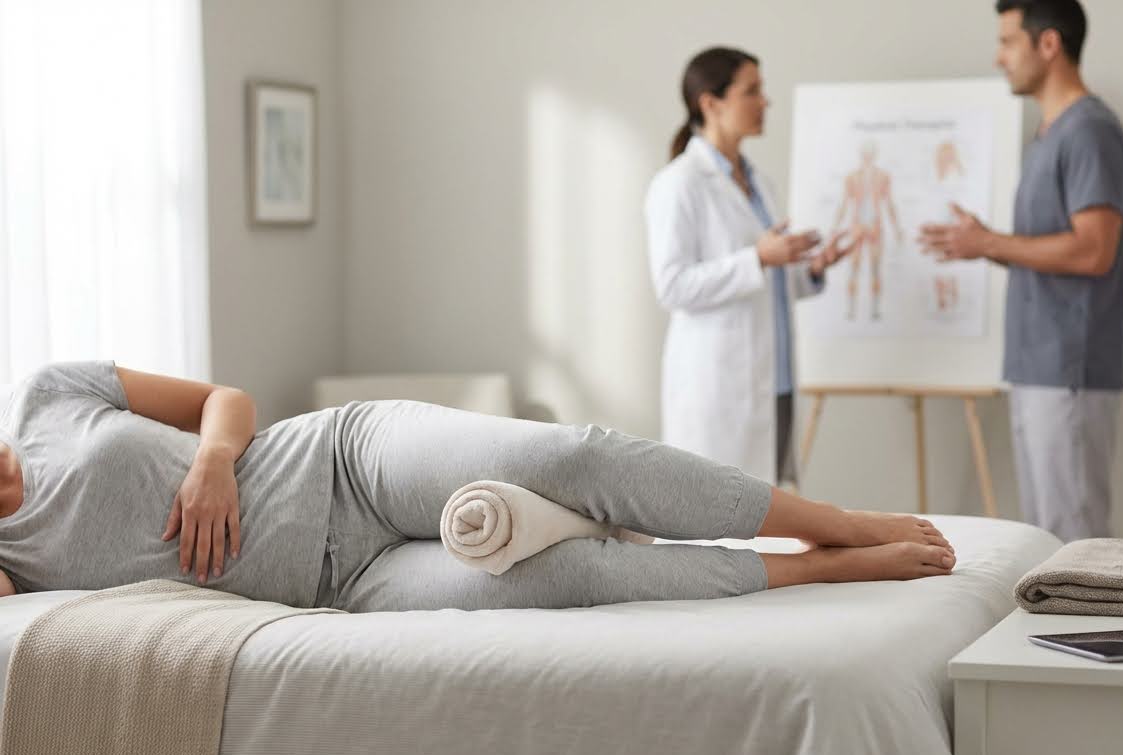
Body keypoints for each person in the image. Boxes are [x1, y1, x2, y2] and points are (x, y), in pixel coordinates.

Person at [0, 361, 956, 610]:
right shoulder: (12, 571)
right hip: (338, 588)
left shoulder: (50, 396)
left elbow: (224, 398)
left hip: (341, 457)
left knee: (571, 456)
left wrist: (212, 459)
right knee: (566, 582)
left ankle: (831, 520)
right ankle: (813, 573)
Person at [918, 0, 1123, 542]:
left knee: (1074, 541)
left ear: (1049, 44)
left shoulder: (1089, 132)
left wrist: (988, 241)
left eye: (1008, 42)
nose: (998, 58)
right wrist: (982, 244)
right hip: (1037, 368)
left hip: (1069, 372)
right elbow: (1047, 246)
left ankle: (1092, 634)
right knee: (1047, 541)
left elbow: (1093, 251)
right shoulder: (1047, 137)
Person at [645, 47, 853, 487]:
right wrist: (758, 257)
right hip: (719, 386)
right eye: (752, 91)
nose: (765, 102)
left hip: (773, 382)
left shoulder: (759, 183)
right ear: (710, 102)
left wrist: (812, 268)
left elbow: (766, 285)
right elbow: (673, 286)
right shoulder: (679, 184)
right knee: (719, 521)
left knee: (768, 518)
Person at [833, 141, 903, 321]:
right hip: (857, 225)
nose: (867, 156)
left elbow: (889, 203)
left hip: (874, 225)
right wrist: (835, 227)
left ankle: (875, 309)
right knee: (854, 268)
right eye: (865, 153)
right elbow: (844, 203)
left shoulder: (883, 176)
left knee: (875, 268)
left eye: (870, 153)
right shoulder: (851, 177)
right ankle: (850, 309)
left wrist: (897, 229)